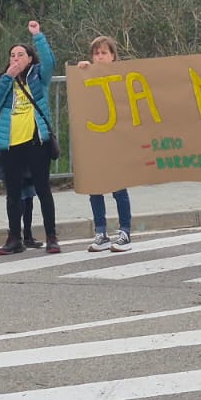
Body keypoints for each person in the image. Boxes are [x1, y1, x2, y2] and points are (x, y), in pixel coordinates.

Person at [0, 20, 59, 254]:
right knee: (13, 193)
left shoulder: (38, 76)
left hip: (36, 142)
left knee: (42, 189)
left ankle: (51, 236)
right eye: (12, 55)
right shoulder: (4, 80)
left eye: (21, 54)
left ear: (29, 59)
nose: (16, 58)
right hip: (11, 145)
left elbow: (50, 62)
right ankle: (14, 238)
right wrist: (8, 77)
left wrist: (37, 36)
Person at [77, 35, 134, 252]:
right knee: (95, 188)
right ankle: (101, 233)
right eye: (96, 53)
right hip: (94, 140)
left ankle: (125, 231)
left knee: (119, 188)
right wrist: (81, 71)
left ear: (113, 56)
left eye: (104, 53)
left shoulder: (120, 77)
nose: (99, 57)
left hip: (115, 140)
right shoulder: (87, 75)